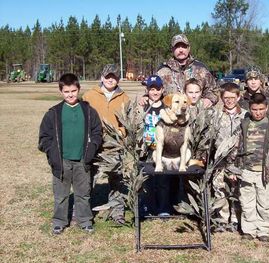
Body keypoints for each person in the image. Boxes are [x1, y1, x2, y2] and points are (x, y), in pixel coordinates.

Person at [38, 73, 102, 235]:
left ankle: (85, 220)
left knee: (83, 194)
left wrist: (91, 150)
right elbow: (44, 137)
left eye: (73, 91)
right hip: (61, 161)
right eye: (66, 92)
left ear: (78, 89)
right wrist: (52, 153)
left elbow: (97, 133)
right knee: (61, 194)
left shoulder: (88, 111)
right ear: (61, 92)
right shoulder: (53, 113)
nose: (70, 94)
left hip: (82, 160)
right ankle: (59, 221)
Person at [83, 64, 130, 225]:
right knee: (87, 179)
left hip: (115, 147)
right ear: (102, 77)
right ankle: (82, 212)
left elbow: (128, 123)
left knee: (117, 180)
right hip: (93, 146)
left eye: (114, 77)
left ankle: (117, 213)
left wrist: (121, 133)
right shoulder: (89, 96)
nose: (111, 79)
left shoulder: (124, 98)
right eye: (108, 76)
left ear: (118, 79)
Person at [238, 93, 269, 242]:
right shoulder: (244, 125)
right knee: (246, 203)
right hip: (246, 171)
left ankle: (263, 231)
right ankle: (248, 230)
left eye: (261, 109)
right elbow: (236, 148)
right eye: (254, 109)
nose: (258, 112)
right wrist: (234, 169)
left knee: (264, 204)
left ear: (266, 108)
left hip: (265, 173)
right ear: (249, 109)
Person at [140, 34, 218, 107]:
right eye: (177, 47)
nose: (181, 50)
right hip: (171, 117)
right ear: (172, 49)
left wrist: (209, 99)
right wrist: (146, 97)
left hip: (195, 115)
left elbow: (214, 91)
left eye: (183, 46)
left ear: (188, 48)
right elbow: (152, 90)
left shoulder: (201, 69)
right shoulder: (163, 71)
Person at [212, 82, 248, 233]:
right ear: (221, 98)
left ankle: (234, 219)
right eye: (226, 98)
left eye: (233, 97)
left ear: (238, 97)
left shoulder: (246, 115)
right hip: (220, 161)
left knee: (236, 190)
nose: (229, 100)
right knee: (219, 189)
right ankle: (221, 218)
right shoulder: (216, 115)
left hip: (238, 161)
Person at [140, 75, 172, 216]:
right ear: (147, 90)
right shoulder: (143, 106)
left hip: (163, 150)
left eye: (158, 89)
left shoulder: (167, 108)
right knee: (147, 179)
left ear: (162, 89)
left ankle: (163, 207)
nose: (155, 92)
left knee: (163, 179)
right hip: (147, 150)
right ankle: (148, 206)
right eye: (152, 89)